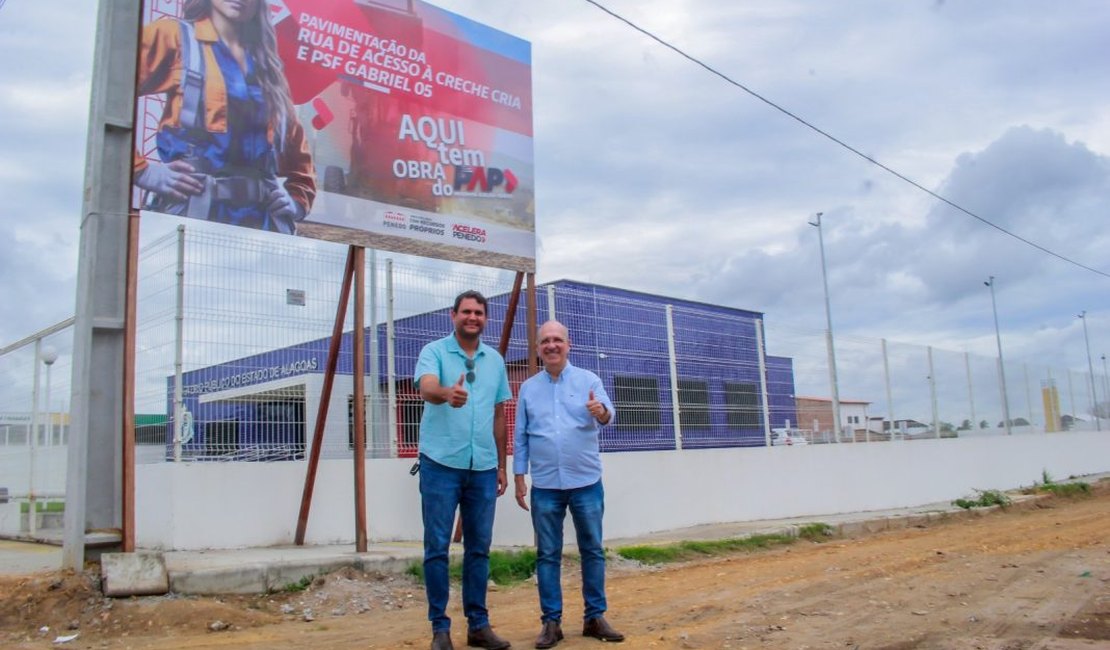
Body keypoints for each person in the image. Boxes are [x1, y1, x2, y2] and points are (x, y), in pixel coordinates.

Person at [134, 0, 316, 234]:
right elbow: (113, 92)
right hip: (192, 213)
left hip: (264, 226)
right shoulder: (173, 36)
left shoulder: (268, 68)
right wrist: (142, 171)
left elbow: (300, 160)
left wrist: (297, 202)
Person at [513, 321, 625, 648]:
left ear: (568, 344)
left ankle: (594, 617)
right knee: (547, 554)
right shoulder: (529, 389)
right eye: (545, 341)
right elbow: (520, 436)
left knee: (592, 549)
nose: (551, 346)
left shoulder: (589, 380)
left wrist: (600, 410)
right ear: (537, 348)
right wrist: (520, 477)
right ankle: (551, 623)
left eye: (557, 340)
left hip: (586, 481)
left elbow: (608, 415)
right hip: (546, 485)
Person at [415, 290, 513, 650]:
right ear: (453, 315)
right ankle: (440, 629)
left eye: (479, 313)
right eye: (466, 312)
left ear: (485, 319)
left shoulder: (495, 360)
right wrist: (445, 393)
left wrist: (502, 465)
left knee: (479, 549)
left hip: (484, 467)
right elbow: (426, 388)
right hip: (441, 465)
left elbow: (500, 414)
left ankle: (478, 625)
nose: (472, 317)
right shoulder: (435, 352)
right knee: (437, 548)